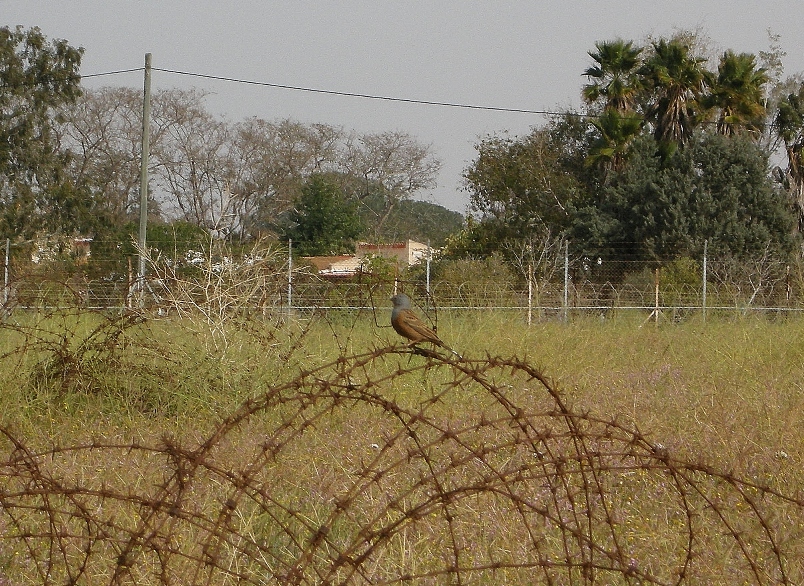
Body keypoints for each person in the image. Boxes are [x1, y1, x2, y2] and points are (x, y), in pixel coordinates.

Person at [390, 293, 460, 357]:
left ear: (399, 302)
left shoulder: (403, 314)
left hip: (424, 334)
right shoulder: (400, 312)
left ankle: (456, 354)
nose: (392, 300)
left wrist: (408, 344)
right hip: (425, 334)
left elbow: (420, 330)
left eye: (395, 299)